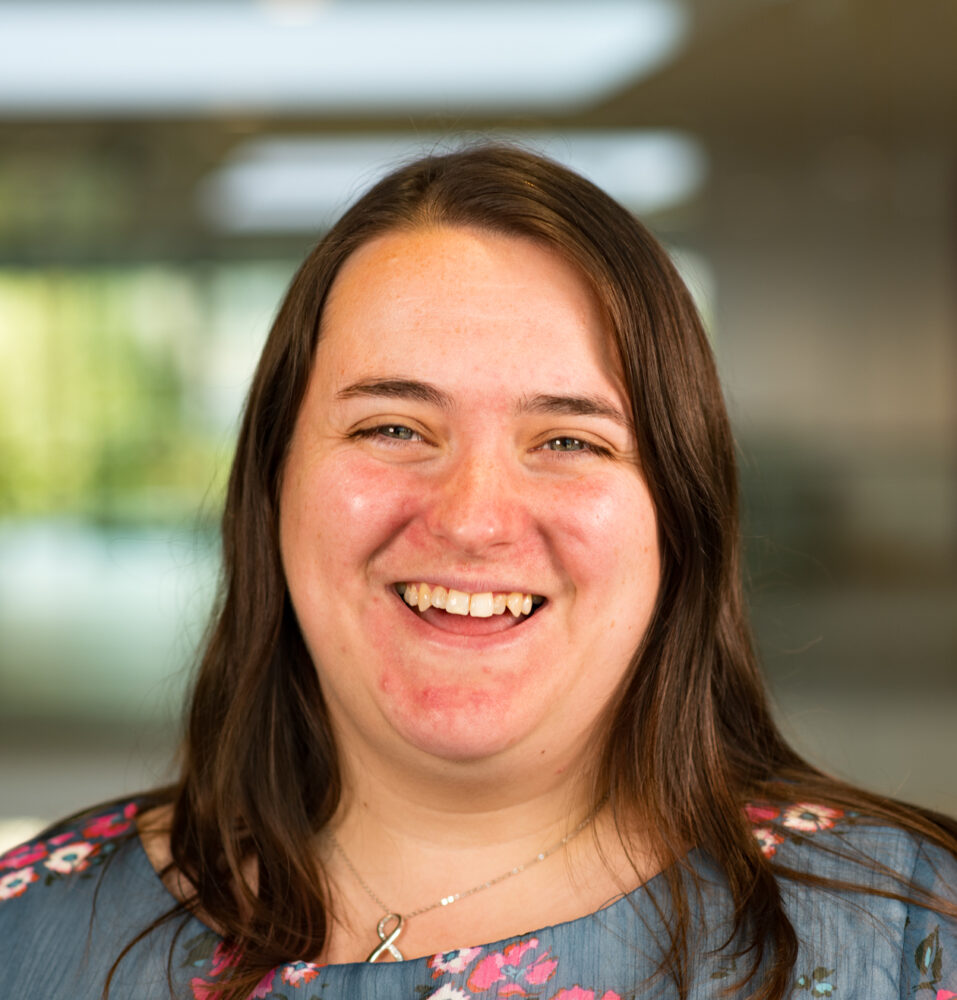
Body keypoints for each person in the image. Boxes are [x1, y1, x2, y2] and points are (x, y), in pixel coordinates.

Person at [1, 145, 955, 1000]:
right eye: (392, 428)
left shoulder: (911, 938)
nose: (472, 519)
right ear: (272, 482)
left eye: (569, 440)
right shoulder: (30, 930)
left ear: (678, 514)